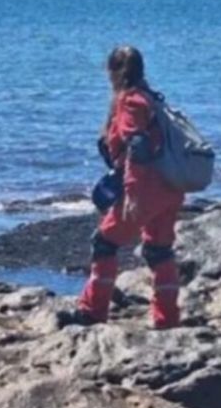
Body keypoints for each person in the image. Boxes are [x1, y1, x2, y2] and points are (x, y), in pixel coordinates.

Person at [60, 46, 185, 330]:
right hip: (170, 187)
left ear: (113, 72)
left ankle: (93, 312)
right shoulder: (153, 99)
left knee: (104, 243)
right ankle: (168, 318)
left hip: (146, 187)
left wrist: (132, 191)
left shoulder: (130, 102)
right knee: (159, 250)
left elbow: (136, 146)